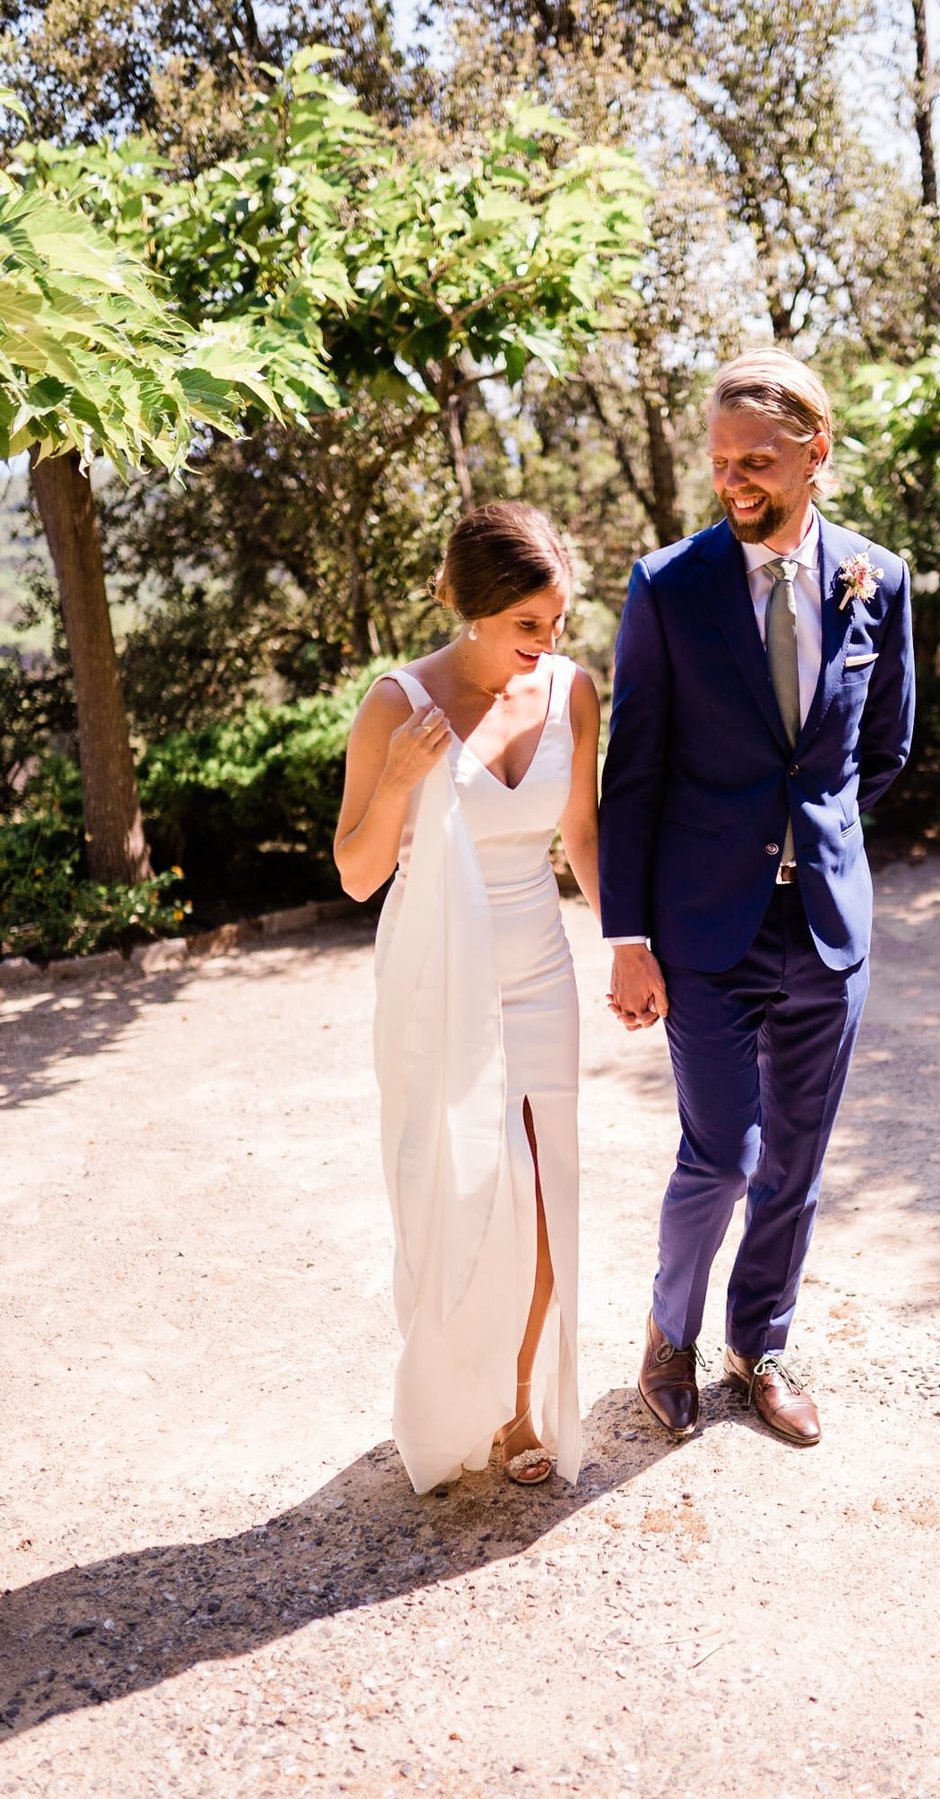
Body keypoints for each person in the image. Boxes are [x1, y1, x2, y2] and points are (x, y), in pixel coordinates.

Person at [599, 347, 916, 1448]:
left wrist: (812, 838)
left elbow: (885, 747)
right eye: (722, 459)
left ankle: (759, 1342)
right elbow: (629, 776)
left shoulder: (879, 575)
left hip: (827, 925)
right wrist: (630, 936)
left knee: (796, 1156)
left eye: (759, 460)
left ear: (815, 455)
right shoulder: (668, 586)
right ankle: (667, 1335)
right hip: (702, 928)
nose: (735, 479)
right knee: (719, 1152)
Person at [334, 502, 601, 1495]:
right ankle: (455, 1398)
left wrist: (629, 946)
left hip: (539, 967)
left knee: (542, 1189)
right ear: (474, 609)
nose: (549, 644)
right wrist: (401, 776)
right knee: (455, 1194)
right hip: (437, 975)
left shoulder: (572, 692)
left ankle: (524, 1400)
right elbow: (359, 872)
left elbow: (581, 835)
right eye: (530, 624)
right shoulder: (395, 703)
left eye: (559, 620)